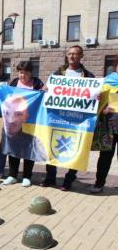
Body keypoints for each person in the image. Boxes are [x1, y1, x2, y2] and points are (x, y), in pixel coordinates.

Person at [41, 45, 95, 191]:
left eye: (75, 54)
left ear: (81, 56)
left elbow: (93, 96)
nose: (72, 56)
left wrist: (97, 96)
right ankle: (50, 178)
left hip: (78, 121)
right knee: (51, 147)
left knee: (76, 149)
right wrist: (46, 89)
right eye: (70, 53)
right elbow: (49, 89)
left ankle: (68, 180)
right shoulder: (58, 74)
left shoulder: (89, 76)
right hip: (58, 118)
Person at [2, 61, 46, 187]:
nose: (23, 76)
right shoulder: (14, 82)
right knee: (13, 148)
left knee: (29, 149)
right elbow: (7, 97)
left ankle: (27, 176)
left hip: (31, 121)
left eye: (26, 73)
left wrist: (44, 91)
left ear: (31, 73)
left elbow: (42, 98)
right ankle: (12, 175)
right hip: (14, 120)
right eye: (21, 73)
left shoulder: (37, 83)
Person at [91, 60, 118, 193]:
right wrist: (102, 108)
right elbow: (95, 101)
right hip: (109, 127)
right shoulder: (107, 82)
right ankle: (99, 183)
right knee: (105, 157)